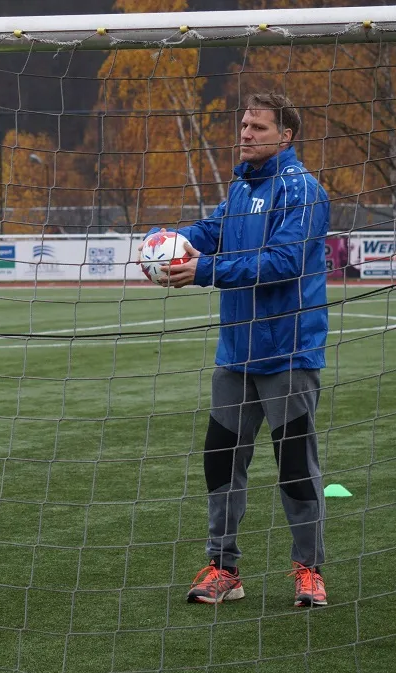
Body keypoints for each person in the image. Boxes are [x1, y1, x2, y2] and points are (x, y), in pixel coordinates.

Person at [155, 92, 332, 608]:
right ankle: (223, 569)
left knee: (294, 465)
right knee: (221, 460)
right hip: (236, 354)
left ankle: (309, 570)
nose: (246, 134)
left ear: (286, 135)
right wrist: (170, 240)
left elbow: (282, 262)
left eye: (258, 127)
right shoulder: (240, 187)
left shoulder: (303, 190)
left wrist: (204, 271)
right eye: (244, 125)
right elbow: (212, 231)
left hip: (288, 352)